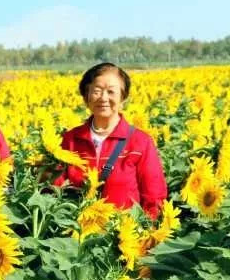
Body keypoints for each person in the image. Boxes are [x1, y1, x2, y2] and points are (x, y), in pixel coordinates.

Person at [56, 62, 167, 218]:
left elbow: (154, 198)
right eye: (96, 91)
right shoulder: (71, 140)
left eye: (111, 92)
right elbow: (55, 190)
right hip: (77, 234)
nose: (103, 98)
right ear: (86, 97)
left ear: (123, 98)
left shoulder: (140, 142)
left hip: (123, 235)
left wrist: (145, 235)